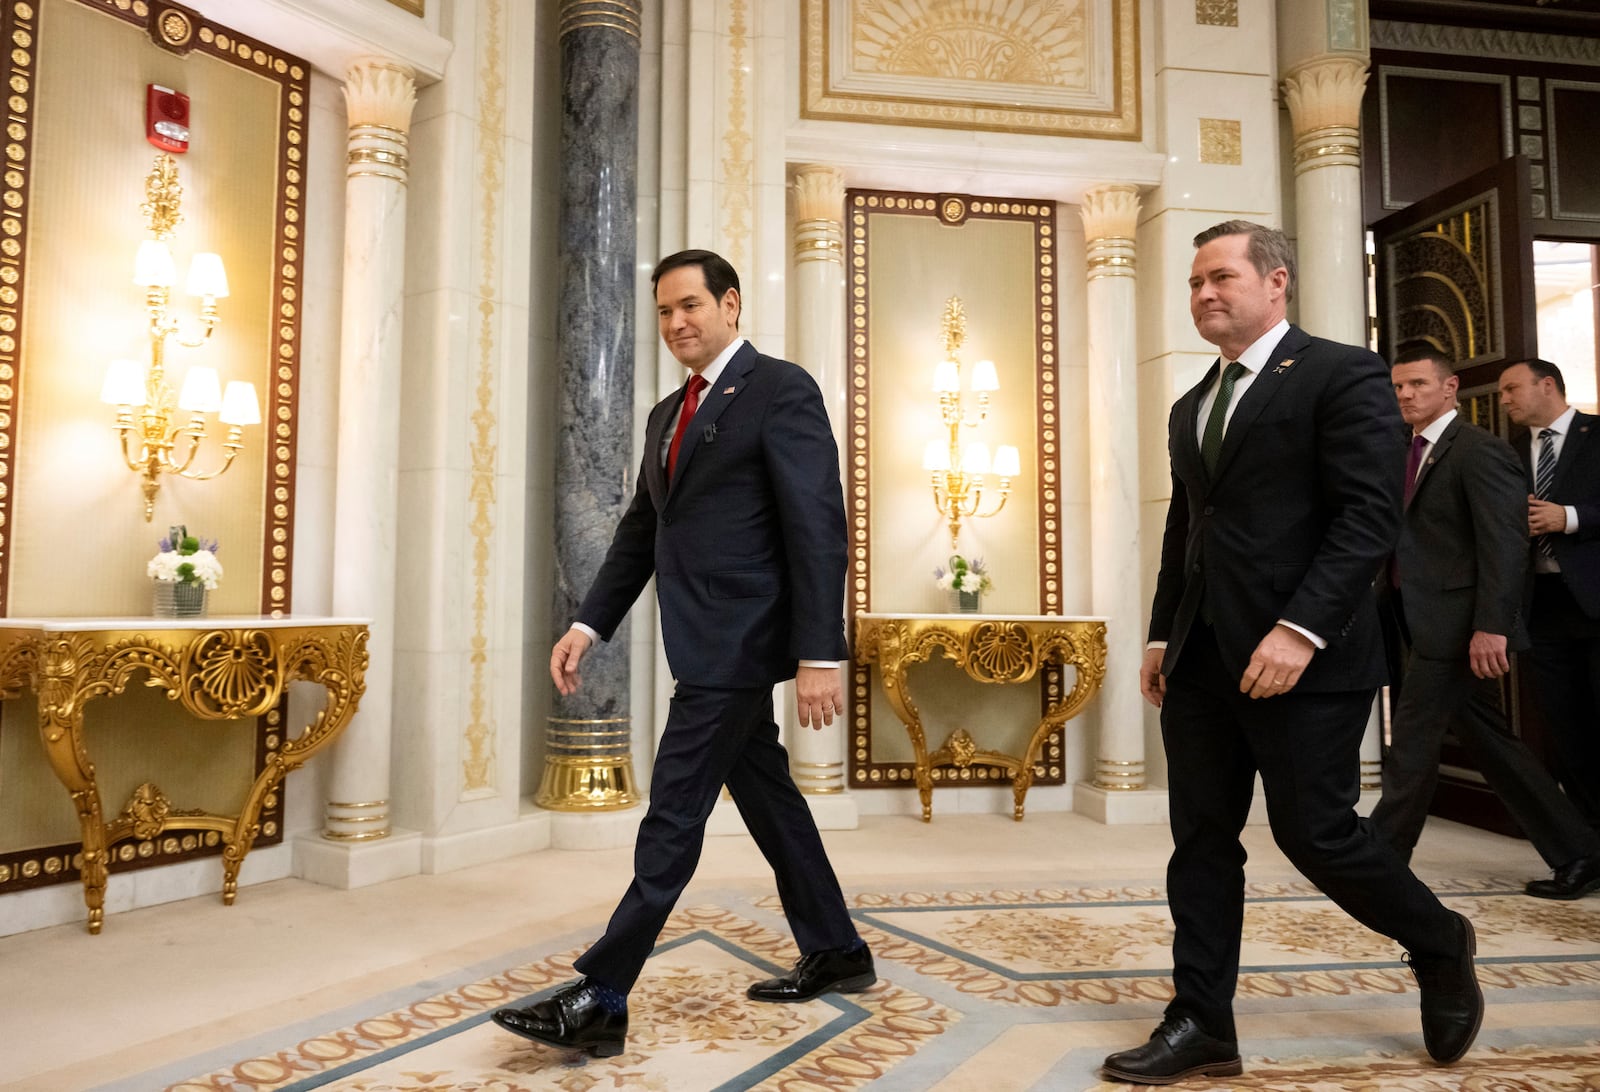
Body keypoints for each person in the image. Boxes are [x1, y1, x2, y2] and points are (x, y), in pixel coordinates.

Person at [1101, 222, 1482, 1085]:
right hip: (1203, 659)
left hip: (1309, 657)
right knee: (1200, 839)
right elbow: (1185, 528)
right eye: (1196, 281)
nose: (1203, 293)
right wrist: (1164, 631)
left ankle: (1439, 938)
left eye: (1222, 276)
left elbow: (1367, 517)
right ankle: (1201, 1021)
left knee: (1317, 834)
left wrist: (1299, 628)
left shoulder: (1340, 373)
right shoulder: (1192, 401)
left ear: (1277, 282)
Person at [491, 249, 873, 1057]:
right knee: (769, 798)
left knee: (673, 812)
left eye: (691, 305)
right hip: (697, 635)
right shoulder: (669, 413)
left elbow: (816, 526)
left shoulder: (781, 389)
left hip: (741, 642)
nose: (677, 324)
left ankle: (603, 991)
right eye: (665, 312)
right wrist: (588, 624)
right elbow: (642, 532)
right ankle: (838, 950)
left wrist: (819, 653)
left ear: (731, 304)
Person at [1370, 349, 1600, 890]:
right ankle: (1580, 849)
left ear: (1450, 388)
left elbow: (1504, 545)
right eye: (1398, 386)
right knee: (1492, 742)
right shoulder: (1411, 450)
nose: (1405, 395)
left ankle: (1381, 853)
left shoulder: (1482, 451)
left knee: (1412, 735)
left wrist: (1492, 625)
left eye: (1418, 384)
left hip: (1457, 623)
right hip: (1417, 616)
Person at [1497, 358, 1600, 900]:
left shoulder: (1597, 435)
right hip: (1543, 613)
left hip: (1596, 605)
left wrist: (1571, 517)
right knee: (1568, 737)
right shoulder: (1508, 456)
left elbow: (1580, 513)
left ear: (1548, 384)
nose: (1505, 399)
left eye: (1512, 388)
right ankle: (1587, 853)